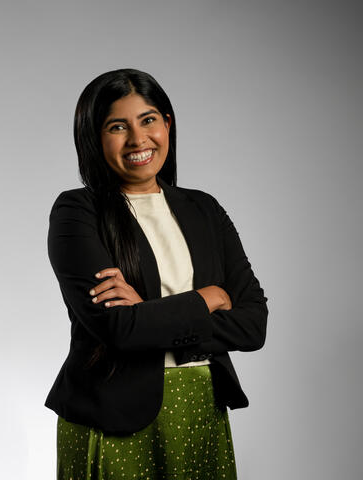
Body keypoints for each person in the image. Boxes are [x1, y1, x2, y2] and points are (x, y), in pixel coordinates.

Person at [45, 68, 268, 479]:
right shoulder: (77, 212)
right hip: (111, 414)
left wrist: (147, 314)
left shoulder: (205, 210)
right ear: (94, 138)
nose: (137, 139)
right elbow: (117, 329)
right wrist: (209, 298)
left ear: (167, 124)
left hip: (200, 407)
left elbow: (254, 325)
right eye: (117, 126)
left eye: (148, 120)